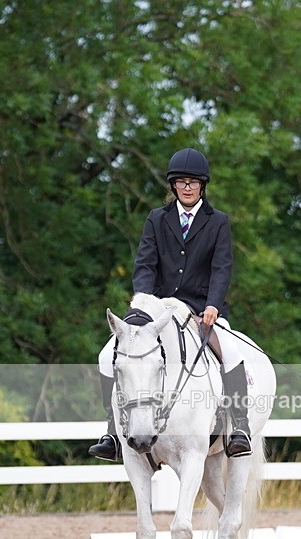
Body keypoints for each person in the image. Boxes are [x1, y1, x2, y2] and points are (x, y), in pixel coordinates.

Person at [89, 147, 252, 461]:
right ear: (173, 185)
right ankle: (111, 430)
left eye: (192, 182)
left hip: (201, 309)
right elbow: (145, 264)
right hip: (159, 308)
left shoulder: (218, 221)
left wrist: (213, 304)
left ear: (202, 185)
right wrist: (142, 303)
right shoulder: (157, 218)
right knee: (106, 354)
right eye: (181, 182)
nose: (187, 187)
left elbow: (221, 267)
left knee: (230, 352)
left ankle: (239, 427)